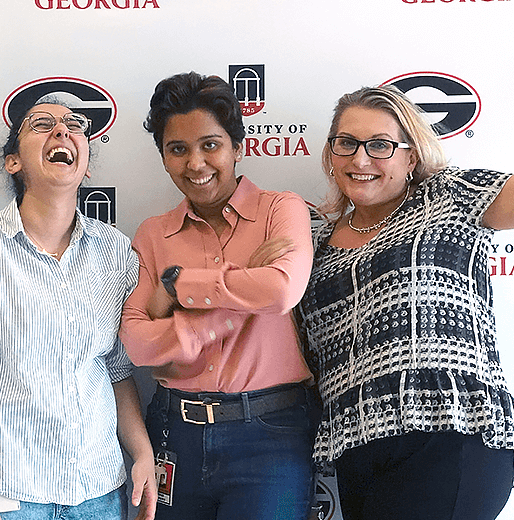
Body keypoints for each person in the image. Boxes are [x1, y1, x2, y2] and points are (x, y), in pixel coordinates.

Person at [295, 85, 514, 520]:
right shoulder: (313, 242)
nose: (360, 160)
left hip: (450, 434)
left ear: (411, 156)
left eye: (380, 145)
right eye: (347, 144)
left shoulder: (450, 195)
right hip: (357, 448)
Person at [0, 99, 156, 520]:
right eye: (42, 124)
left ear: (86, 163)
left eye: (74, 124)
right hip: (5, 492)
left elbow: (118, 371)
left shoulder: (116, 253)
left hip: (99, 492)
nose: (62, 131)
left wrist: (141, 453)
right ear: (13, 161)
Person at [119, 72, 317, 520]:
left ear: (237, 147)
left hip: (270, 434)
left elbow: (281, 289)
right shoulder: (153, 233)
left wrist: (176, 286)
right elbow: (136, 341)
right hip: (174, 433)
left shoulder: (280, 209)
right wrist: (231, 303)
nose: (195, 163)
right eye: (178, 149)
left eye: (210, 145)